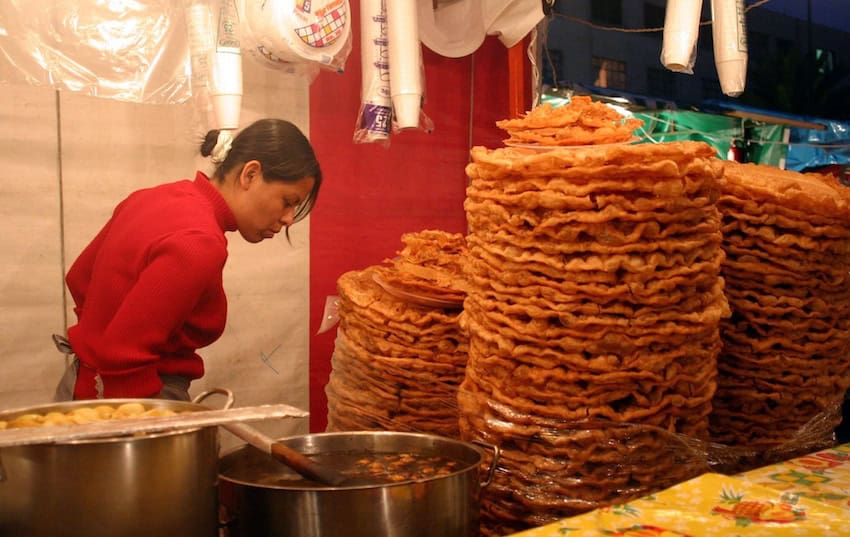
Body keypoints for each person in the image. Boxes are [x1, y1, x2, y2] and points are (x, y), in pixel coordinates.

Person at [53, 118, 322, 401]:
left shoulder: (151, 197)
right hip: (123, 400)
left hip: (78, 387)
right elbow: (124, 359)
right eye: (288, 201)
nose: (289, 219)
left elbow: (80, 277)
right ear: (250, 175)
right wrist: (143, 429)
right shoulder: (199, 241)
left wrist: (95, 337)